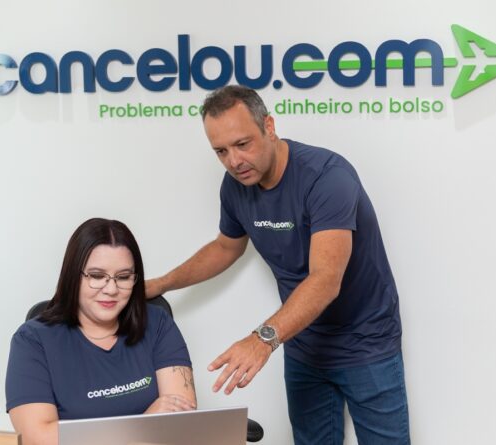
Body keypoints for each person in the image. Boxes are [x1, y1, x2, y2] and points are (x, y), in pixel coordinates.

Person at [146, 85, 410, 444]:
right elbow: (226, 247)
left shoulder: (327, 177)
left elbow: (325, 279)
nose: (234, 161)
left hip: (366, 342)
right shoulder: (236, 186)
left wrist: (262, 340)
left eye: (242, 144)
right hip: (302, 342)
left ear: (269, 126)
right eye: (221, 151)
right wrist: (160, 284)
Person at [6, 218, 196, 445]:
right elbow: (38, 438)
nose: (111, 289)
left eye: (123, 277)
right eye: (96, 276)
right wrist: (142, 424)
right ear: (72, 276)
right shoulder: (32, 340)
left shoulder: (158, 324)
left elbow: (180, 424)